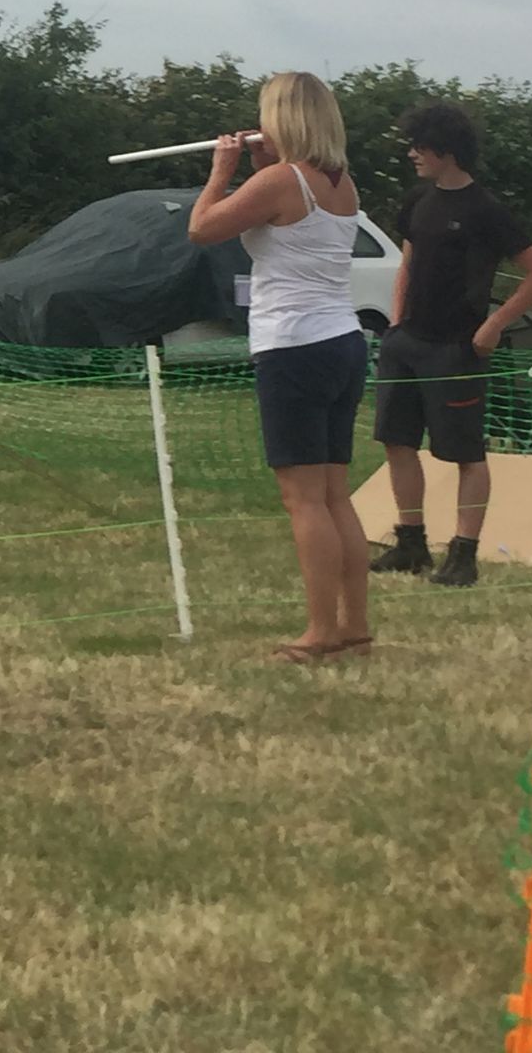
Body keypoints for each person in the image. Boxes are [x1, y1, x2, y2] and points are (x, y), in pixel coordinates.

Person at [188, 72, 372, 662]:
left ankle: (321, 632)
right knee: (335, 495)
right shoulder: (342, 184)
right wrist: (263, 165)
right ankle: (354, 626)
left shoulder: (278, 180)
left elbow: (202, 229)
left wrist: (220, 171)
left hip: (293, 345)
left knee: (304, 500)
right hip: (343, 339)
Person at [368, 103, 532, 585]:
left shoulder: (486, 210)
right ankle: (411, 543)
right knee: (397, 442)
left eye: (419, 146)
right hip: (404, 342)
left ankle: (463, 553)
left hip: (456, 348)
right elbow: (407, 264)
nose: (412, 154)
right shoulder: (416, 201)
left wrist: (494, 325)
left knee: (466, 454)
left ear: (447, 150)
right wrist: (395, 322)